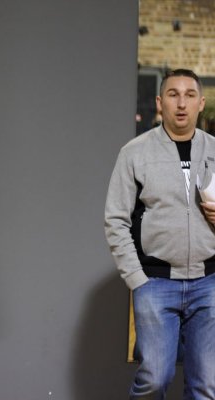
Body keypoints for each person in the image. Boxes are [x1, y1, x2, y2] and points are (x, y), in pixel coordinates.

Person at [105, 68, 215, 399]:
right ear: (159, 102)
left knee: (206, 386)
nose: (181, 103)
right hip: (156, 283)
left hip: (209, 283)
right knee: (154, 378)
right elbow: (115, 219)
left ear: (201, 103)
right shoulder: (134, 152)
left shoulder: (214, 150)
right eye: (173, 94)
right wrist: (136, 278)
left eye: (189, 95)